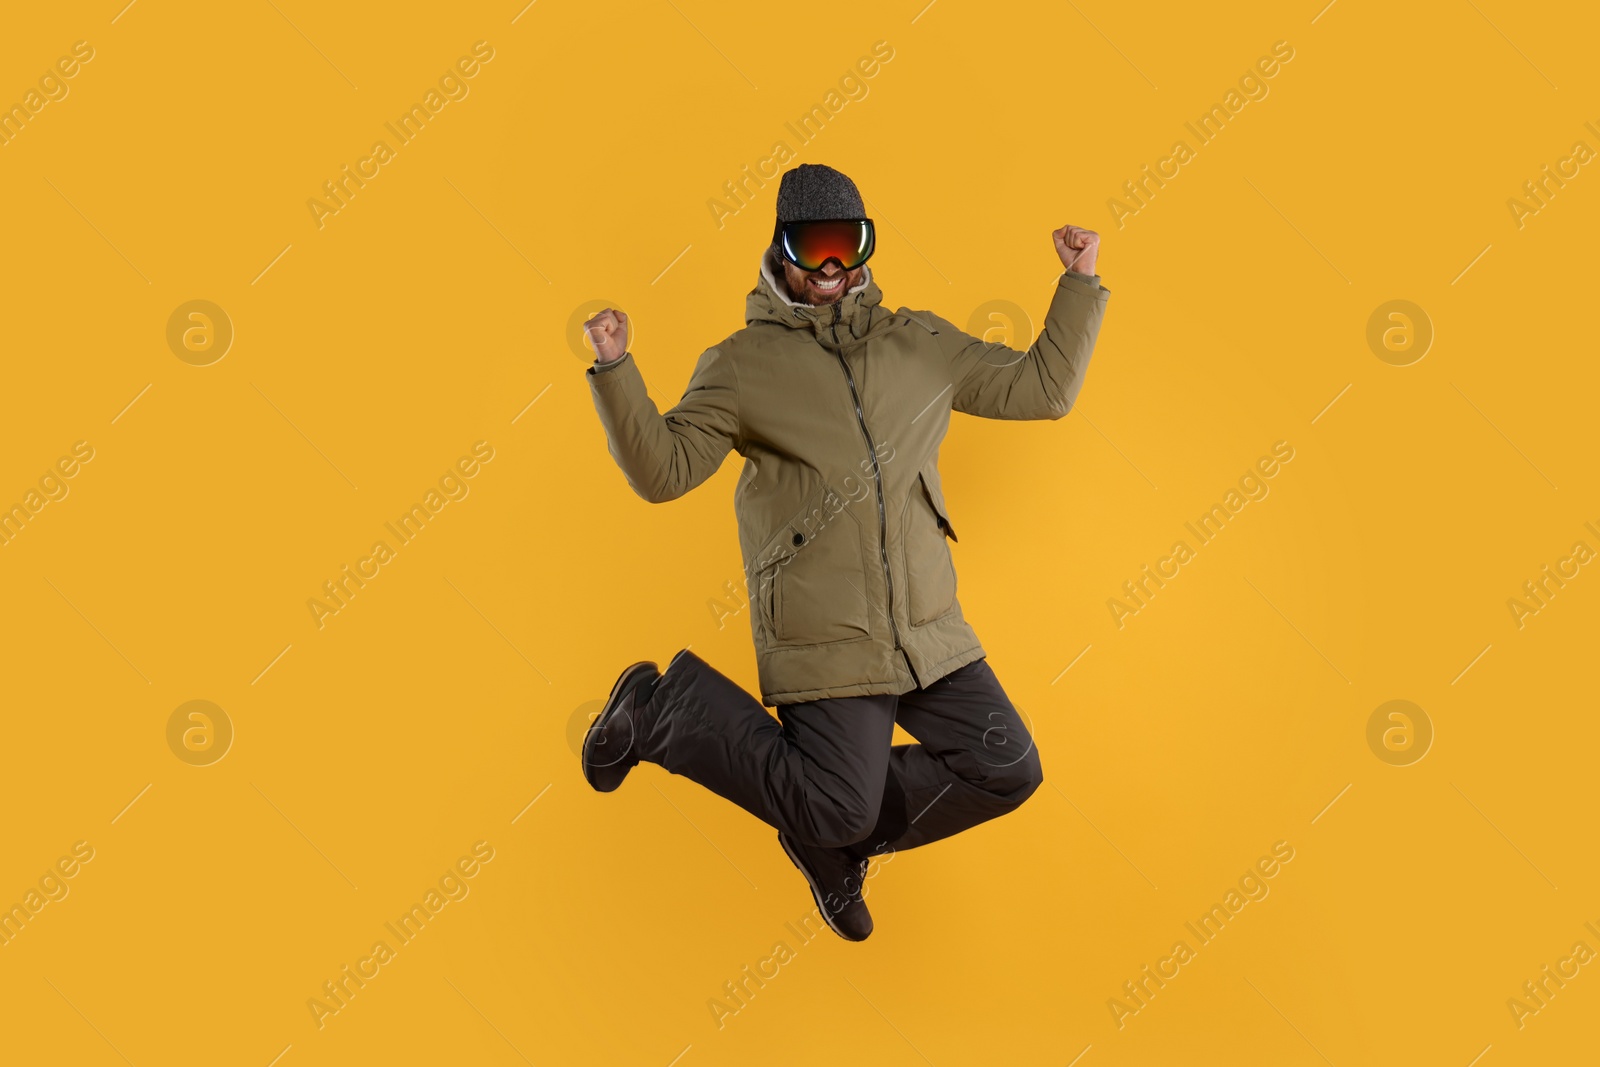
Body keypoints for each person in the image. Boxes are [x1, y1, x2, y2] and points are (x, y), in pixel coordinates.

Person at [579, 163, 1109, 941]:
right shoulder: (741, 365)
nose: (831, 267)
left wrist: (1079, 284)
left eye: (848, 246)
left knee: (1008, 769)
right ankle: (662, 713)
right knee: (836, 798)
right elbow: (664, 472)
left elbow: (1042, 389)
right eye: (813, 247)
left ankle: (830, 842)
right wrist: (617, 371)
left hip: (927, 627)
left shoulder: (921, 343)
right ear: (781, 249)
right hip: (828, 636)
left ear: (864, 248)